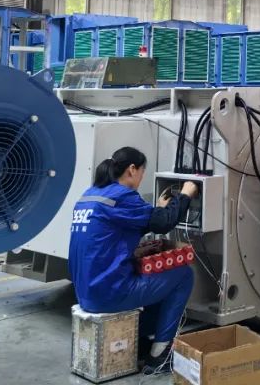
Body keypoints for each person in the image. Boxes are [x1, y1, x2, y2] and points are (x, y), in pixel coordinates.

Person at [69, 147, 198, 373]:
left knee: (152, 273)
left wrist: (158, 210)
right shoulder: (123, 196)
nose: (141, 178)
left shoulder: (90, 195)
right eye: (142, 172)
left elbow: (117, 229)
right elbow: (163, 223)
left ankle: (139, 343)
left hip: (86, 293)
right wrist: (186, 193)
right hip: (109, 293)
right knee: (184, 275)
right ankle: (160, 356)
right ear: (132, 169)